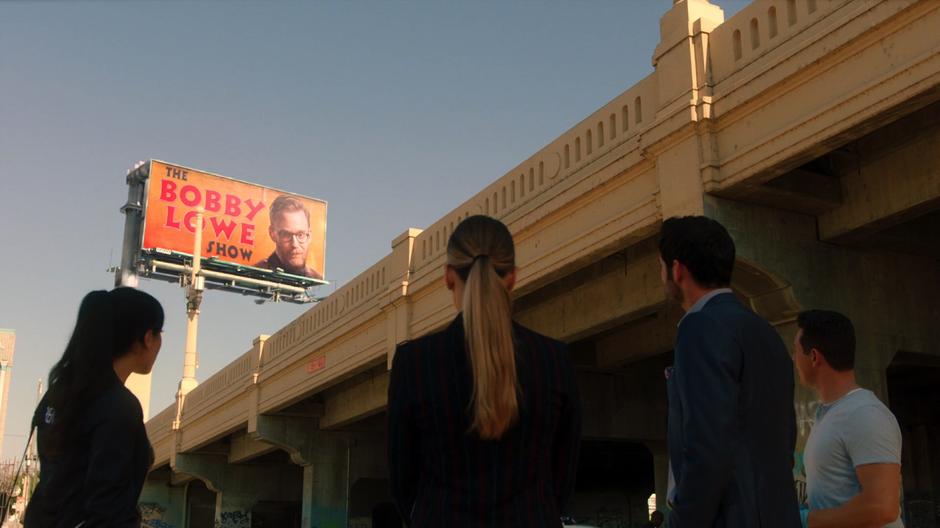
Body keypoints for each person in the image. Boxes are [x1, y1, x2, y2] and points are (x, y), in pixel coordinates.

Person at [387, 215, 581, 527]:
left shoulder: (414, 363)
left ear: (449, 276)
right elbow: (563, 477)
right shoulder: (555, 360)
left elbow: (402, 481)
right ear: (513, 277)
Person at [660, 216, 800, 527]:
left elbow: (707, 445)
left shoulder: (699, 328)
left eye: (662, 267)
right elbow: (785, 437)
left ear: (677, 269)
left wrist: (683, 521)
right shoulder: (766, 333)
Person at [24, 288, 164, 528]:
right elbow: (108, 510)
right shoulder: (119, 407)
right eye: (160, 333)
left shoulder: (59, 394)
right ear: (147, 338)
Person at [794, 310, 903, 528]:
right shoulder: (828, 415)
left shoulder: (865, 414)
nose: (794, 360)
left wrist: (806, 522)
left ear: (814, 357)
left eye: (795, 352)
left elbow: (883, 507)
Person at [254, 194, 323, 280]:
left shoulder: (316, 277)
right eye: (286, 235)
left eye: (300, 235)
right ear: (272, 234)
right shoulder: (256, 272)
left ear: (309, 236)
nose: (295, 244)